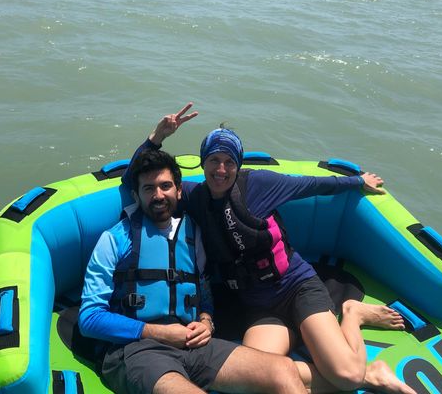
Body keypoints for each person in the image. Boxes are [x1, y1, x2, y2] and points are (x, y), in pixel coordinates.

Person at [123, 103, 416, 394]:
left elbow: (310, 185)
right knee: (259, 381)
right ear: (203, 162)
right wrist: (157, 137)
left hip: (297, 287)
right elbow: (132, 180)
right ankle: (370, 375)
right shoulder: (192, 196)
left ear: (238, 165)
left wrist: (357, 181)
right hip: (259, 306)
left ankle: (352, 315)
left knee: (347, 376)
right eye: (213, 160)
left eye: (229, 161)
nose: (221, 169)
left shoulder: (258, 185)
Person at [79, 148, 307, 394]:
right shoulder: (114, 240)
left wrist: (206, 322)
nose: (158, 195)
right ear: (136, 195)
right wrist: (158, 332)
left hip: (193, 345)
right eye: (148, 188)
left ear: (179, 190)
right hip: (138, 349)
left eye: (165, 186)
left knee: (284, 370)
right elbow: (89, 318)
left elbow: (204, 294)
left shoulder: (193, 234)